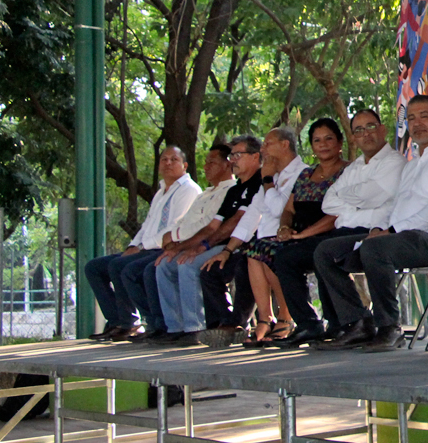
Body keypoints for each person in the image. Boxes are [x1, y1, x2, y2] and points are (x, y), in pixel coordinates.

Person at [313, 98, 428, 351]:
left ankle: (389, 328)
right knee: (326, 252)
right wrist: (380, 228)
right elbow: (396, 208)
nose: (417, 124)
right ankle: (358, 323)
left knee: (375, 249)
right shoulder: (412, 164)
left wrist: (391, 232)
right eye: (411, 118)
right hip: (398, 237)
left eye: (423, 116)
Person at [270, 115, 404, 347]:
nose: (365, 134)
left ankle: (354, 323)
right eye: (359, 130)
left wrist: (350, 201)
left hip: (373, 232)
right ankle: (310, 324)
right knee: (285, 257)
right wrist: (358, 199)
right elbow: (329, 202)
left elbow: (376, 195)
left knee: (325, 250)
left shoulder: (394, 162)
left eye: (370, 127)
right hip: (344, 230)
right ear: (354, 137)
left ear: (382, 130)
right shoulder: (357, 166)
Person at [202, 126, 306, 346]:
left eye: (268, 144)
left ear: (284, 145)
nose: (264, 149)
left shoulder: (300, 172)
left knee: (266, 251)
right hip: (266, 240)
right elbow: (251, 216)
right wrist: (227, 250)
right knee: (253, 252)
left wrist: (267, 180)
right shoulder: (272, 176)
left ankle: (285, 318)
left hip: (294, 236)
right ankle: (264, 319)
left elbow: (279, 209)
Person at [87, 147, 200, 341]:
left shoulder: (188, 190)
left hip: (167, 248)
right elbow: (148, 224)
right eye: (164, 159)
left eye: (174, 159)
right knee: (94, 267)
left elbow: (173, 229)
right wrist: (133, 245)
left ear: (185, 165)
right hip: (146, 246)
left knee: (124, 268)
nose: (168, 163)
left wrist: (141, 248)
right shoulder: (161, 191)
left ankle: (144, 323)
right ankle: (117, 321)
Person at [149, 140, 244, 346]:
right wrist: (174, 242)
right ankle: (175, 326)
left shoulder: (230, 189)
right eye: (205, 163)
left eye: (211, 163)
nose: (205, 167)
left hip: (220, 244)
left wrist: (181, 245)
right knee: (164, 265)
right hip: (193, 243)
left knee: (186, 263)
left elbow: (210, 227)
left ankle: (195, 327)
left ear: (227, 165)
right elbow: (185, 222)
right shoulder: (204, 194)